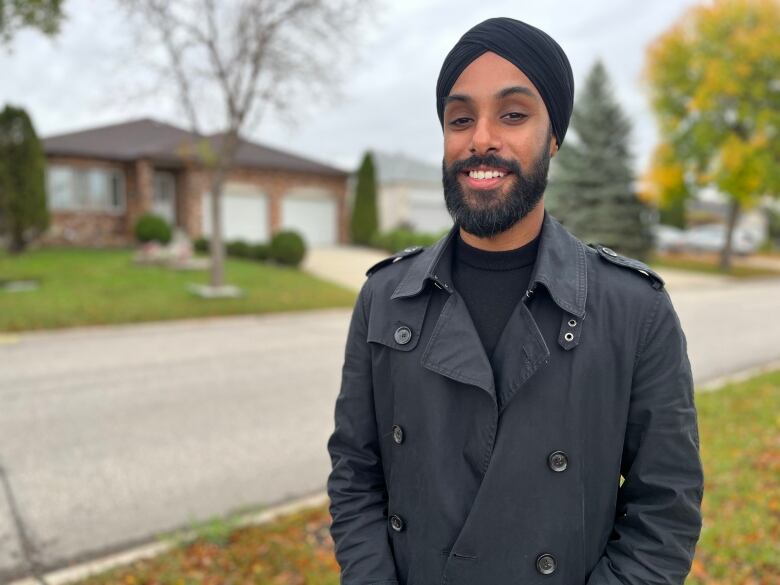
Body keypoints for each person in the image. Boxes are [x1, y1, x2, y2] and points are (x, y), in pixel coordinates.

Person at [327, 16, 703, 585]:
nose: (480, 138)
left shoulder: (635, 310)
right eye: (460, 119)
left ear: (554, 136)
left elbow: (665, 510)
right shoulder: (386, 298)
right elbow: (355, 474)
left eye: (512, 114)